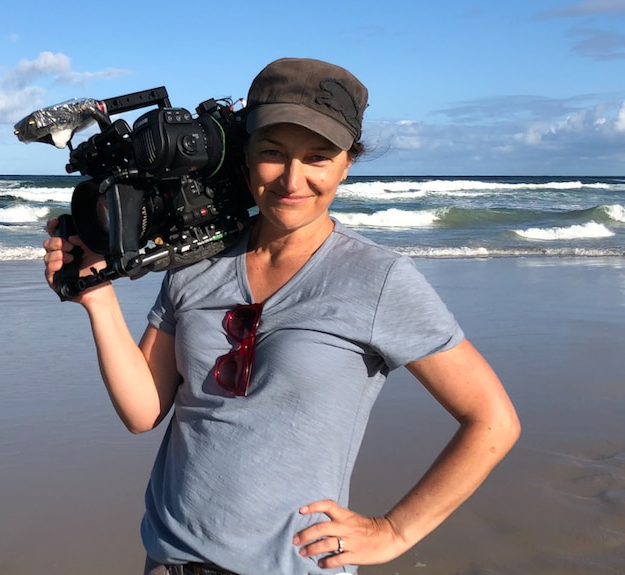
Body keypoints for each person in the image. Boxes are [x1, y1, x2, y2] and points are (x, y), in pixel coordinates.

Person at [42, 57, 521, 575]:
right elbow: (142, 411)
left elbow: (493, 420)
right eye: (273, 153)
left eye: (318, 157)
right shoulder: (197, 265)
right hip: (169, 560)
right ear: (245, 159)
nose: (293, 179)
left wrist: (394, 531)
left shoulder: (377, 279)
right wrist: (98, 297)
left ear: (346, 164)